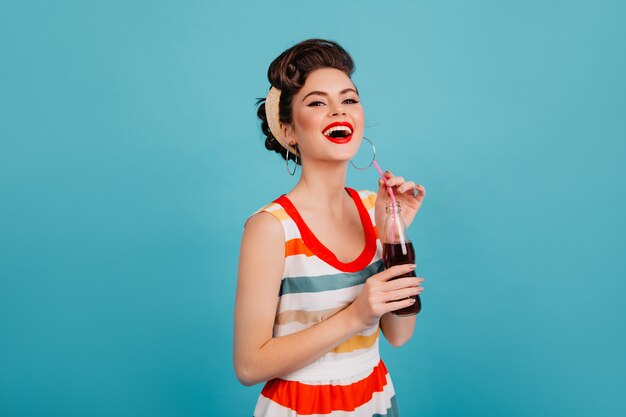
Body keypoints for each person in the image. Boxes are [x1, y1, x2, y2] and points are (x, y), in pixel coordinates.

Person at [233, 39, 427, 417]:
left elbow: (399, 336)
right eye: (318, 102)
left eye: (349, 99)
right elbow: (248, 366)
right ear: (288, 131)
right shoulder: (271, 228)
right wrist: (355, 316)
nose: (338, 111)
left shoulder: (373, 208)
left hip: (373, 398)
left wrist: (394, 238)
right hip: (302, 406)